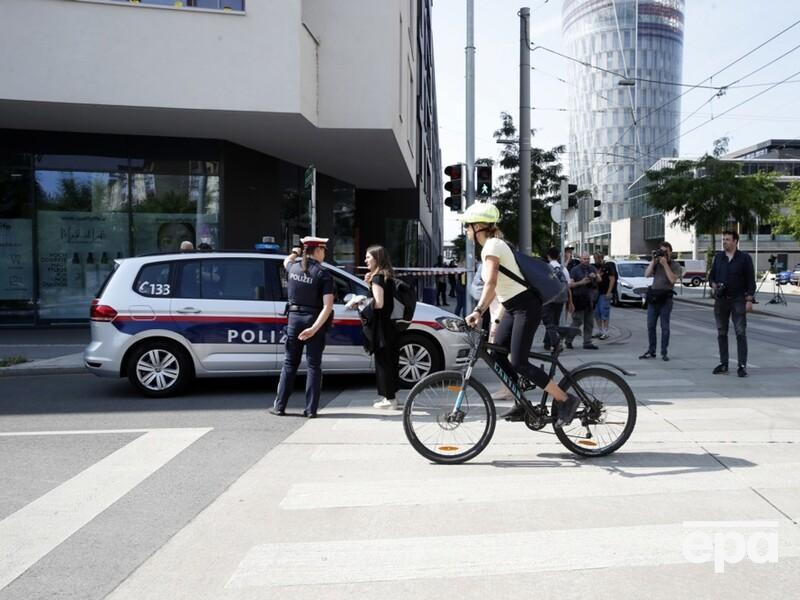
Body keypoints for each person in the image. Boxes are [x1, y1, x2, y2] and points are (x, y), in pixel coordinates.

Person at [461, 202, 582, 426]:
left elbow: (491, 283)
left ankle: (566, 399)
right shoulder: (491, 246)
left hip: (526, 306)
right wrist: (488, 315)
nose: (466, 231)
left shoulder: (492, 246)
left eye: (467, 226)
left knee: (519, 362)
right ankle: (521, 402)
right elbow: (497, 288)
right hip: (512, 307)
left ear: (478, 227)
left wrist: (477, 311)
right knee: (497, 354)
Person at [271, 236, 334, 418]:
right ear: (318, 250)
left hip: (294, 320)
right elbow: (328, 306)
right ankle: (311, 410)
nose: (324, 254)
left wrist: (294, 252)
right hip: (313, 320)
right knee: (313, 366)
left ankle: (279, 406)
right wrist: (314, 329)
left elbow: (286, 261)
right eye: (324, 250)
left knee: (290, 363)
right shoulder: (323, 274)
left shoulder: (294, 267)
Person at [708, 230, 755, 377]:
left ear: (735, 241)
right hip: (721, 300)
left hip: (738, 300)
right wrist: (714, 285)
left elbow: (751, 281)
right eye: (723, 239)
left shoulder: (744, 258)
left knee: (740, 332)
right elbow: (711, 277)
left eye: (727, 239)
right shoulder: (719, 257)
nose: (724, 242)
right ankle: (724, 364)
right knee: (721, 332)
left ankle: (742, 366)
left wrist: (749, 300)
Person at [361, 245, 401, 409]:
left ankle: (389, 399)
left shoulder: (378, 278)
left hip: (381, 327)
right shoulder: (386, 275)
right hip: (390, 325)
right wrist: (370, 284)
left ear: (377, 259)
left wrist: (361, 305)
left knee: (383, 363)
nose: (365, 260)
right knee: (390, 361)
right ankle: (392, 397)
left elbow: (378, 303)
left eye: (368, 257)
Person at [640, 241, 682, 361]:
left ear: (670, 252)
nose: (663, 254)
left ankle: (664, 352)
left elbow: (673, 280)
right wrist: (653, 260)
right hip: (654, 299)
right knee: (650, 326)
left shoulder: (675, 265)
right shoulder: (657, 263)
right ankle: (651, 350)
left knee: (665, 327)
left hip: (666, 300)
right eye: (661, 251)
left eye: (665, 251)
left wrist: (665, 265)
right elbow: (646, 274)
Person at [542, 246, 573, 351]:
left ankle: (554, 343)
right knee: (555, 321)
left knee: (548, 321)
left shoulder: (546, 267)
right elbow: (568, 285)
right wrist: (570, 301)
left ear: (548, 256)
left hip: (548, 298)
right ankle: (547, 343)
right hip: (561, 298)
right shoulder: (563, 269)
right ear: (558, 257)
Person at [568, 252, 599, 350]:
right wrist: (581, 282)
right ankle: (568, 340)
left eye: (588, 259)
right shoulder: (575, 270)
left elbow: (600, 279)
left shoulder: (592, 268)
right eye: (584, 259)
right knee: (577, 322)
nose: (586, 261)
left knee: (589, 322)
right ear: (581, 259)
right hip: (578, 298)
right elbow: (570, 285)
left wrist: (595, 276)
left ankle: (587, 342)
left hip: (590, 299)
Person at [593, 253, 617, 340]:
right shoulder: (595, 267)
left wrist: (609, 292)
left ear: (601, 258)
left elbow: (612, 280)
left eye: (597, 258)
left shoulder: (609, 266)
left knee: (604, 312)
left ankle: (605, 332)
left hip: (605, 293)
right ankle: (600, 331)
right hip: (597, 293)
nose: (595, 260)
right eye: (595, 258)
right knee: (596, 313)